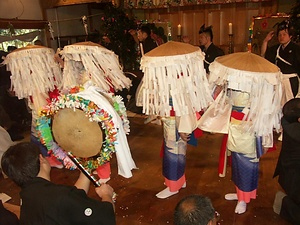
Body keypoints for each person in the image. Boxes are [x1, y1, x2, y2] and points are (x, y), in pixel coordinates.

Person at [1, 142, 116, 225]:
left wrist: (86, 170)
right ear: (41, 159)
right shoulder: (60, 196)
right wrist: (107, 195)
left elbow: (70, 200)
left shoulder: (27, 196)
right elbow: (106, 216)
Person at [273, 98, 300, 224]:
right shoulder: (297, 132)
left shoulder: (287, 122)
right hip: (294, 178)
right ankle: (283, 204)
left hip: (289, 174)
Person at [261, 20, 300, 102]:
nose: (281, 37)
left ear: (290, 36)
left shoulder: (296, 49)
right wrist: (265, 41)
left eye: (284, 34)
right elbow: (264, 56)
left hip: (291, 81)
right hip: (279, 81)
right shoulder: (276, 49)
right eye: (279, 35)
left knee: (290, 106)